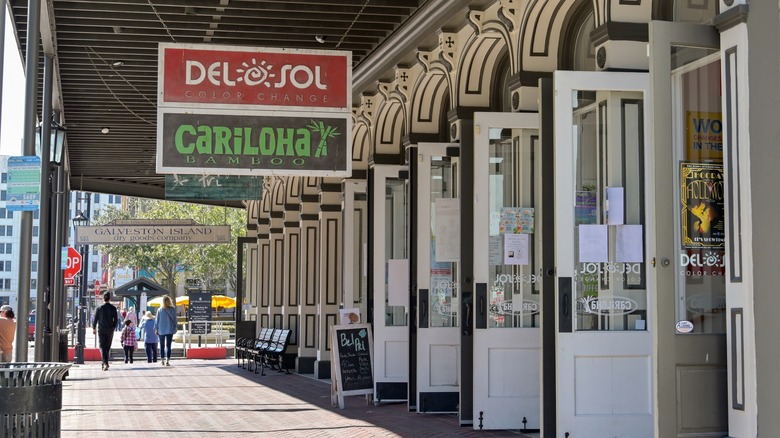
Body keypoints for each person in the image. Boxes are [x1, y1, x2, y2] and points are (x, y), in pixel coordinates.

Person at [92, 292, 118, 371]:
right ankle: (105, 362)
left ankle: (104, 362)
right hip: (110, 330)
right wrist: (113, 327)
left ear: (103, 298)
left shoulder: (99, 308)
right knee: (107, 346)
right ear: (110, 299)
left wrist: (94, 328)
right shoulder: (113, 308)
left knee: (102, 346)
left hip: (101, 330)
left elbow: (95, 319)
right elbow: (116, 320)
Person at [155, 296, 177, 366]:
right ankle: (167, 360)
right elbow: (175, 319)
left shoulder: (160, 310)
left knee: (161, 345)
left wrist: (156, 328)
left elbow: (157, 320)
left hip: (161, 330)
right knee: (168, 345)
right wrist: (176, 327)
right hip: (170, 329)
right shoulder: (172, 309)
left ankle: (162, 360)